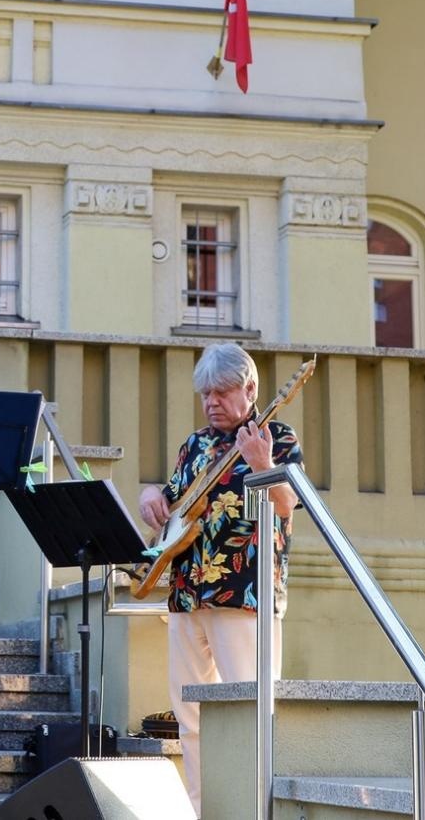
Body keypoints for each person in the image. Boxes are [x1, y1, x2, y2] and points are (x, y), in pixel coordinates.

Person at [137, 343, 301, 818]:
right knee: (189, 718)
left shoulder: (278, 436)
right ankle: (202, 812)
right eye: (205, 393)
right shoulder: (194, 445)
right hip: (188, 592)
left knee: (249, 708)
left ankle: (253, 809)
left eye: (221, 392)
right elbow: (170, 500)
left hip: (245, 592)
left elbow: (289, 504)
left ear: (249, 389)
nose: (211, 402)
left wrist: (261, 464)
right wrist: (151, 495)